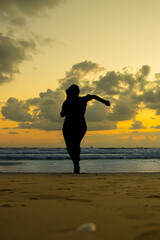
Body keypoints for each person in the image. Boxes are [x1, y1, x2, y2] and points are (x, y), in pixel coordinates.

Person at [60, 84, 110, 173]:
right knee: (74, 145)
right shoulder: (77, 101)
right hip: (76, 126)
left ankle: (76, 164)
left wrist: (104, 102)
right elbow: (93, 96)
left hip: (73, 126)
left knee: (72, 146)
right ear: (78, 92)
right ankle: (76, 163)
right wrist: (104, 101)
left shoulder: (69, 102)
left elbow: (62, 114)